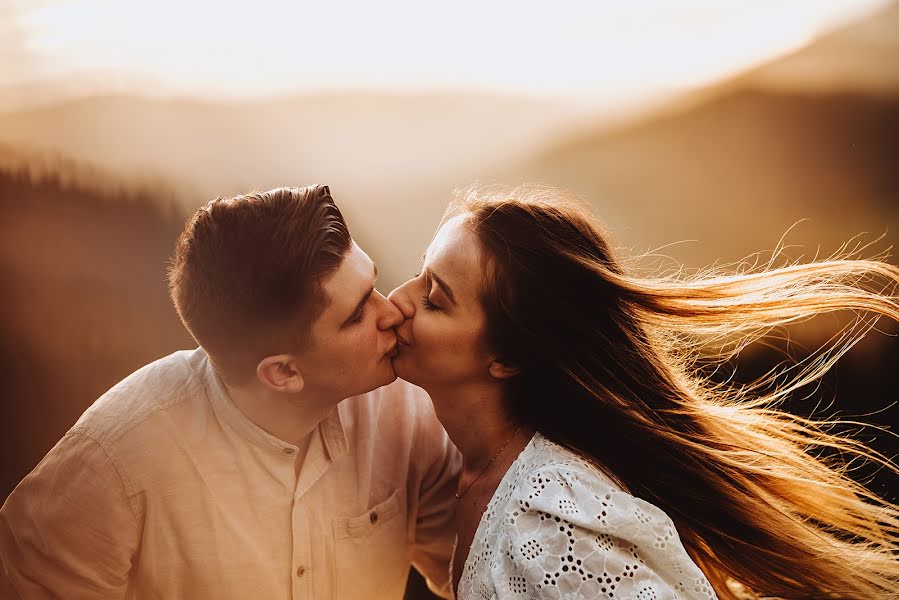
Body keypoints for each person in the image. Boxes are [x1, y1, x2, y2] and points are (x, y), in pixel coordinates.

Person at [387, 184, 899, 600]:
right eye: (418, 274)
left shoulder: (546, 520)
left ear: (507, 359)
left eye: (434, 299)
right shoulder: (466, 466)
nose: (397, 300)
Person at [0, 185, 461, 599]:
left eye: (372, 284)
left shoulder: (406, 411)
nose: (393, 311)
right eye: (358, 314)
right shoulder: (114, 461)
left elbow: (477, 569)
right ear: (282, 373)